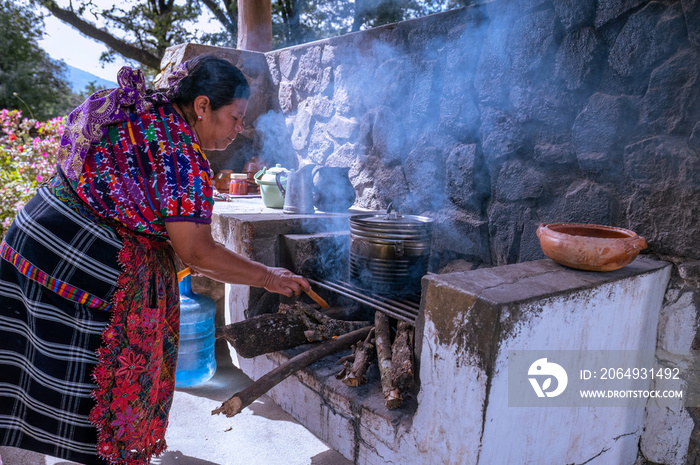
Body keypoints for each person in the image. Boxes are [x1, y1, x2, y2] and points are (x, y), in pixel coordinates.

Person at [0, 55, 309, 465]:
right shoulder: (181, 156)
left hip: (31, 236)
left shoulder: (149, 115)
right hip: (72, 260)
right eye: (234, 117)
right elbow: (197, 253)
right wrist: (268, 277)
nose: (240, 129)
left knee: (27, 360)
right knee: (92, 379)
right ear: (202, 107)